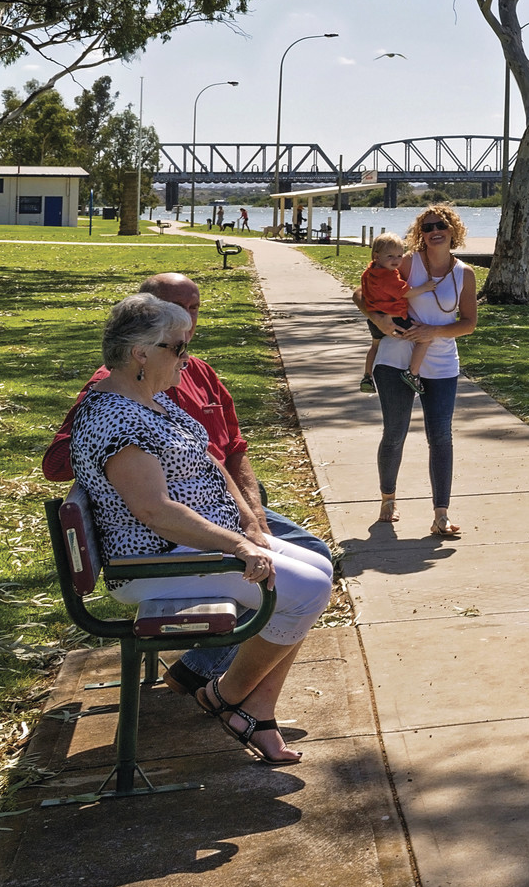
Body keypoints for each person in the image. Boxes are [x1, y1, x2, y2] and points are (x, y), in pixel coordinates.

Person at [41, 272, 337, 698]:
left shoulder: (151, 397)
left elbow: (215, 458)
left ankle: (252, 706)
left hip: (196, 542)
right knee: (307, 589)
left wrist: (250, 524)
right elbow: (153, 512)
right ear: (140, 353)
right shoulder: (115, 416)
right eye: (178, 347)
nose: (186, 356)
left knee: (319, 568)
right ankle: (230, 699)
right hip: (157, 561)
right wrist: (237, 546)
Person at [357, 204, 479, 538]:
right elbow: (360, 293)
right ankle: (388, 500)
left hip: (441, 364)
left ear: (453, 229)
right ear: (420, 234)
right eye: (427, 227)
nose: (434, 231)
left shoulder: (464, 274)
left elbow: (468, 324)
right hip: (396, 358)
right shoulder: (406, 262)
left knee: (440, 437)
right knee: (394, 433)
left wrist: (434, 332)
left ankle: (441, 515)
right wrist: (379, 320)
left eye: (441, 224)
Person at [357, 234, 422, 389]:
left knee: (375, 346)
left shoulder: (369, 272)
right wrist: (425, 288)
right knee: (424, 338)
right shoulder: (387, 276)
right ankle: (412, 373)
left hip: (374, 319)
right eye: (390, 256)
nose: (396, 260)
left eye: (400, 256)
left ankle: (367, 376)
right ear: (376, 256)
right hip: (395, 318)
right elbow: (404, 292)